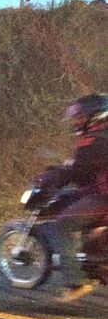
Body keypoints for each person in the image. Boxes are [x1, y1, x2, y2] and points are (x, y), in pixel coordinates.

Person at [43, 94, 108, 301]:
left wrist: (53, 178)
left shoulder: (96, 139)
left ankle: (75, 283)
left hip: (104, 196)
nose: (76, 121)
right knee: (78, 201)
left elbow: (79, 172)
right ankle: (96, 260)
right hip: (100, 189)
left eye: (80, 117)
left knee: (64, 225)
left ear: (94, 116)